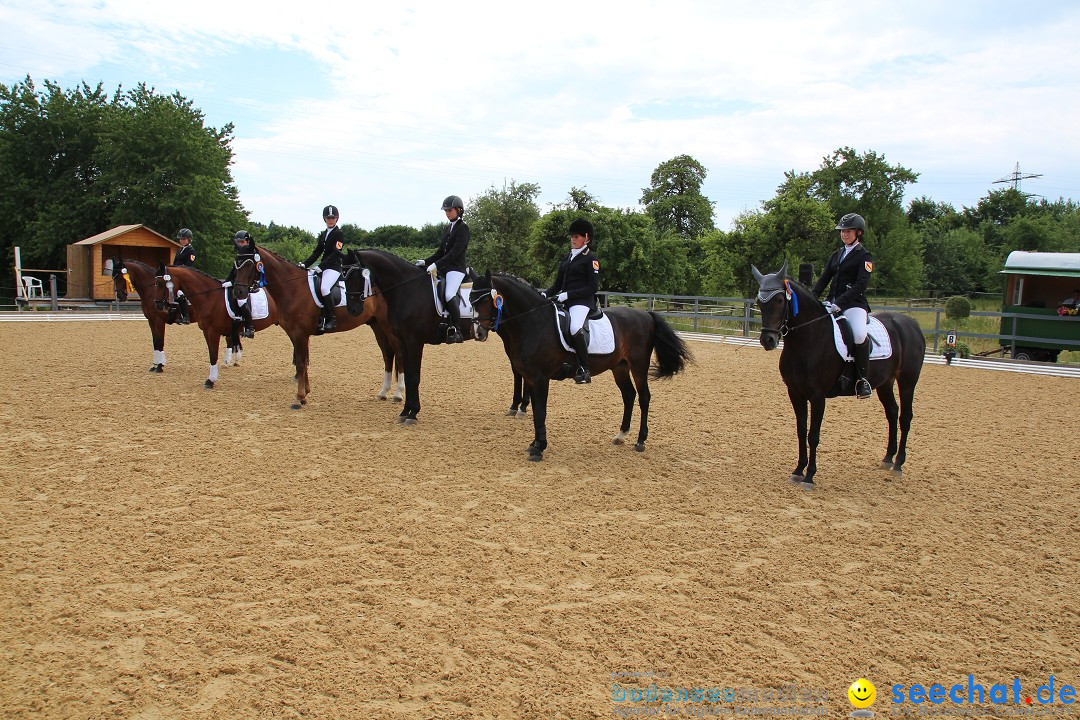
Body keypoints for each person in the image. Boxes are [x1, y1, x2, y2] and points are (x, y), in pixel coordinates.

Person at [813, 212, 874, 399]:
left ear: (859, 233)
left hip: (854, 304)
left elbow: (861, 285)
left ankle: (863, 380)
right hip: (832, 303)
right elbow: (824, 279)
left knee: (858, 334)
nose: (844, 234)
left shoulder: (864, 256)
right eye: (842, 231)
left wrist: (840, 303)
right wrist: (812, 297)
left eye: (848, 231)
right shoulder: (837, 254)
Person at [543, 218, 600, 384]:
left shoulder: (591, 258)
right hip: (566, 301)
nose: (573, 239)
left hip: (582, 302)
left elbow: (593, 287)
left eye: (577, 236)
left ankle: (584, 368)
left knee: (575, 327)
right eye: (572, 236)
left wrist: (567, 295)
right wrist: (545, 294)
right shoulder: (568, 257)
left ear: (586, 238)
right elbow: (557, 285)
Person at [416, 195, 470, 343]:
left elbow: (454, 253)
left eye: (449, 210)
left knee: (448, 294)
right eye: (445, 210)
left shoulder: (463, 228)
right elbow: (441, 252)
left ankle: (457, 330)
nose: (447, 213)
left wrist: (436, 265)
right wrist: (426, 262)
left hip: (456, 269)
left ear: (459, 210)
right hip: (445, 269)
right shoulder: (448, 228)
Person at [301, 205, 346, 333]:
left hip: (334, 267)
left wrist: (320, 267)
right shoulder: (324, 234)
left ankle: (332, 320)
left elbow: (336, 253)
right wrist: (304, 264)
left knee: (324, 288)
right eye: (328, 218)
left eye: (333, 218)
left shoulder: (339, 234)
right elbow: (317, 252)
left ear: (337, 218)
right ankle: (318, 317)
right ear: (324, 219)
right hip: (324, 267)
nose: (330, 220)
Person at [225, 230, 257, 338]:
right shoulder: (239, 254)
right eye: (239, 242)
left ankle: (250, 327)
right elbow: (235, 270)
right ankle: (236, 319)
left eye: (242, 242)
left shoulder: (252, 254)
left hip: (248, 284)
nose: (240, 244)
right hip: (239, 283)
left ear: (248, 241)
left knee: (241, 301)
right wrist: (227, 280)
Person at [172, 228, 196, 324]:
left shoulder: (191, 251)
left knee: (179, 293)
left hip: (185, 276)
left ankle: (186, 316)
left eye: (184, 239)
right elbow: (175, 263)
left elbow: (188, 265)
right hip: (176, 275)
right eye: (181, 239)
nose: (182, 241)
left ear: (189, 239)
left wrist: (178, 271)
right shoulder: (179, 250)